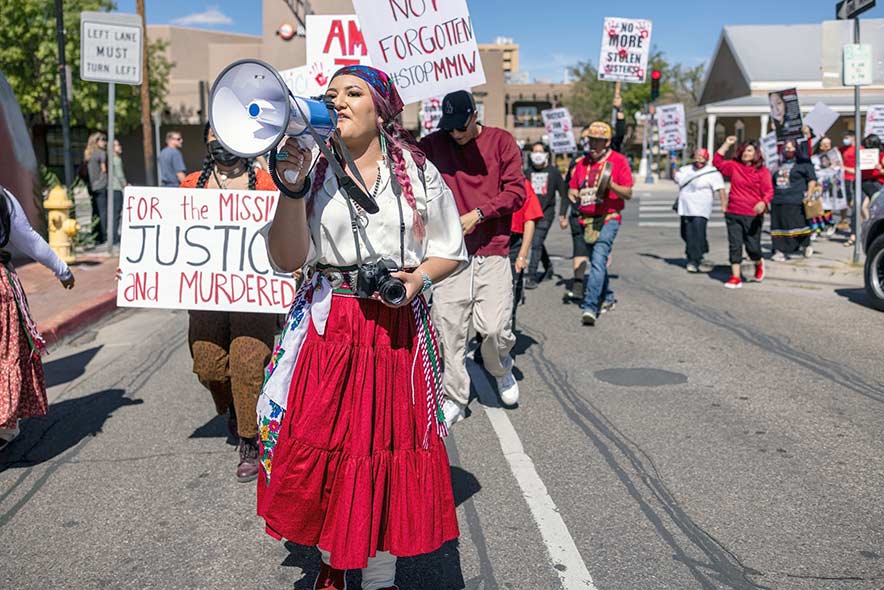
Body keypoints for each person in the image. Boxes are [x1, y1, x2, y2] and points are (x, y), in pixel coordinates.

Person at [258, 65, 466, 590]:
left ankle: (377, 577)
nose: (340, 102)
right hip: (334, 329)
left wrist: (417, 279)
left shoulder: (417, 172)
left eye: (354, 93)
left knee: (385, 450)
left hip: (395, 329)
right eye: (332, 95)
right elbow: (286, 258)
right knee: (329, 447)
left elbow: (450, 249)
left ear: (381, 110)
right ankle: (333, 554)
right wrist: (290, 188)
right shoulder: (311, 168)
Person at [180, 123, 280, 483]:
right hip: (207, 293)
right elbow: (172, 238)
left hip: (255, 294)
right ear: (206, 143)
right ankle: (236, 409)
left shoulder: (267, 184)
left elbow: (286, 229)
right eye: (214, 139)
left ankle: (250, 440)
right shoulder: (191, 185)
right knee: (208, 365)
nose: (221, 146)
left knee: (248, 362)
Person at [418, 90, 526, 422]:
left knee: (494, 328)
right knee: (448, 328)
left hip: (492, 248)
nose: (454, 134)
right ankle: (454, 396)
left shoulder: (501, 141)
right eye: (448, 127)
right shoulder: (432, 144)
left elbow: (517, 192)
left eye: (460, 127)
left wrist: (479, 213)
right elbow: (401, 161)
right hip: (449, 253)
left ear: (474, 116)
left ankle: (499, 367)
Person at [0, 186, 75, 449]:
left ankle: (5, 426)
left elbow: (28, 238)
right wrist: (63, 270)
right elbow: (27, 237)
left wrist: (62, 268)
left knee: (5, 357)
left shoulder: (3, 198)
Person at [568, 121, 634, 326]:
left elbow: (629, 193)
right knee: (598, 262)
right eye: (591, 141)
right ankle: (609, 295)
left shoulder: (619, 161)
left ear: (607, 143)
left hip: (609, 218)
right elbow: (572, 190)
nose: (593, 145)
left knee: (597, 260)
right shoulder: (581, 163)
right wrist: (574, 195)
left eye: (598, 141)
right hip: (586, 219)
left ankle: (590, 306)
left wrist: (610, 184)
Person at [713, 136, 773, 288]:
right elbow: (717, 162)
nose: (746, 153)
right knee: (735, 245)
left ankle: (758, 263)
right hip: (733, 212)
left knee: (752, 247)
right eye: (744, 151)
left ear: (756, 153)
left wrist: (763, 202)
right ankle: (735, 277)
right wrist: (726, 144)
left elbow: (768, 191)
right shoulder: (734, 166)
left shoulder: (762, 171)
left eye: (750, 150)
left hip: (753, 214)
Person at [674, 148, 726, 272]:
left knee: (696, 233)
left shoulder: (712, 173)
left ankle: (694, 260)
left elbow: (721, 190)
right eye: (697, 156)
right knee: (685, 233)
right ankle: (700, 249)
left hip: (701, 208)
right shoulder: (685, 169)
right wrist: (673, 163)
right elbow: (677, 178)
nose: (699, 159)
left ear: (707, 159)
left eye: (702, 157)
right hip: (685, 207)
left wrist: (724, 205)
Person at [524, 142, 566, 289]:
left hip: (545, 214)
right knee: (538, 243)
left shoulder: (553, 172)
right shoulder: (527, 173)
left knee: (535, 243)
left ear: (546, 154)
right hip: (529, 215)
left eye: (540, 151)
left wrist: (562, 215)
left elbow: (564, 194)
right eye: (534, 151)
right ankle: (548, 267)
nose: (537, 154)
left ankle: (531, 275)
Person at [769, 138, 817, 260]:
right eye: (786, 148)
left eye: (791, 148)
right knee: (779, 226)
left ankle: (805, 244)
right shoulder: (777, 164)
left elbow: (812, 180)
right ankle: (779, 250)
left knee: (797, 225)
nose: (788, 150)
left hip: (796, 200)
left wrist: (809, 195)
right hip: (778, 200)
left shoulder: (804, 164)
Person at [509, 179, 544, 326]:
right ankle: (483, 336)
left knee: (510, 291)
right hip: (487, 243)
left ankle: (508, 329)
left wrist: (522, 255)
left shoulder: (522, 183)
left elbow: (530, 220)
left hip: (513, 243)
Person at [810, 137, 844, 238]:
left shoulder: (834, 157)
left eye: (828, 144)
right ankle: (815, 229)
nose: (825, 147)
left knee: (826, 207)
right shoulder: (814, 157)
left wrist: (834, 168)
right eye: (823, 144)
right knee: (815, 207)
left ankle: (830, 224)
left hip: (828, 185)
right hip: (816, 185)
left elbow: (839, 169)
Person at [84, 131, 108, 243]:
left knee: (95, 210)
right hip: (101, 184)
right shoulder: (101, 153)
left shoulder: (89, 153)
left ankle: (95, 234)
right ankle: (103, 236)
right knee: (103, 211)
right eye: (102, 140)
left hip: (91, 186)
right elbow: (104, 169)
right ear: (96, 141)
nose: (105, 142)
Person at [109, 139, 127, 244]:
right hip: (116, 188)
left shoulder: (110, 159)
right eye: (117, 145)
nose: (119, 147)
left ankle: (113, 235)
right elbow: (120, 175)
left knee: (114, 213)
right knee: (116, 213)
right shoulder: (116, 159)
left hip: (111, 188)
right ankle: (115, 237)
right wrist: (125, 185)